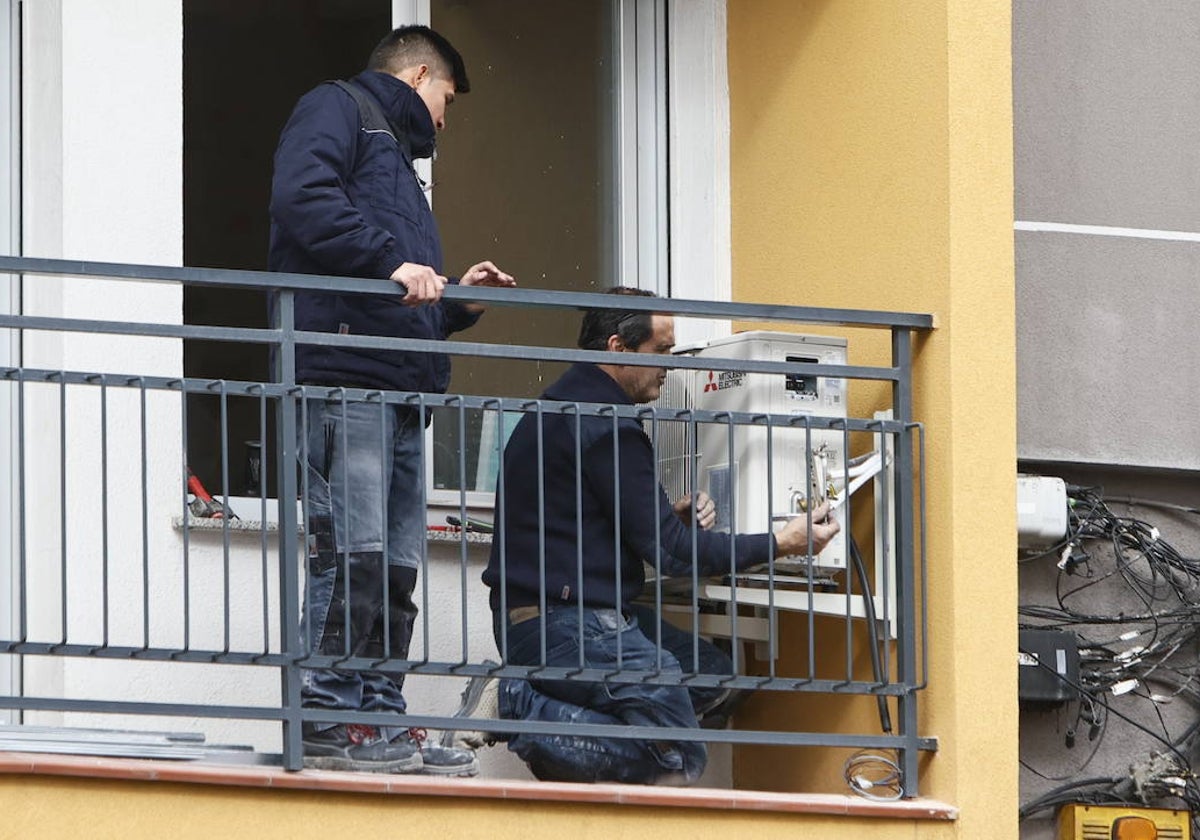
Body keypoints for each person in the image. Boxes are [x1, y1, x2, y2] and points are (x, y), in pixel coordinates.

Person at [456, 288, 839, 785]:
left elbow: (581, 521)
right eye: (661, 352)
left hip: (550, 615)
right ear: (617, 348)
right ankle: (514, 701)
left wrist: (663, 516)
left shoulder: (559, 409)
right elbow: (671, 555)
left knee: (714, 678)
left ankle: (570, 732)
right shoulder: (606, 425)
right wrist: (781, 543)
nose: (669, 366)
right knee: (676, 760)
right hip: (564, 623)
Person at [268, 24, 515, 775]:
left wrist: (456, 304)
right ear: (418, 75)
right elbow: (300, 199)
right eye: (446, 99)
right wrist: (391, 263)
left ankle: (377, 713)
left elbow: (402, 292)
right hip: (345, 376)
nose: (445, 119)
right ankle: (330, 717)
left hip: (397, 385)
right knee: (353, 555)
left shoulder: (400, 173)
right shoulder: (338, 109)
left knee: (395, 566)